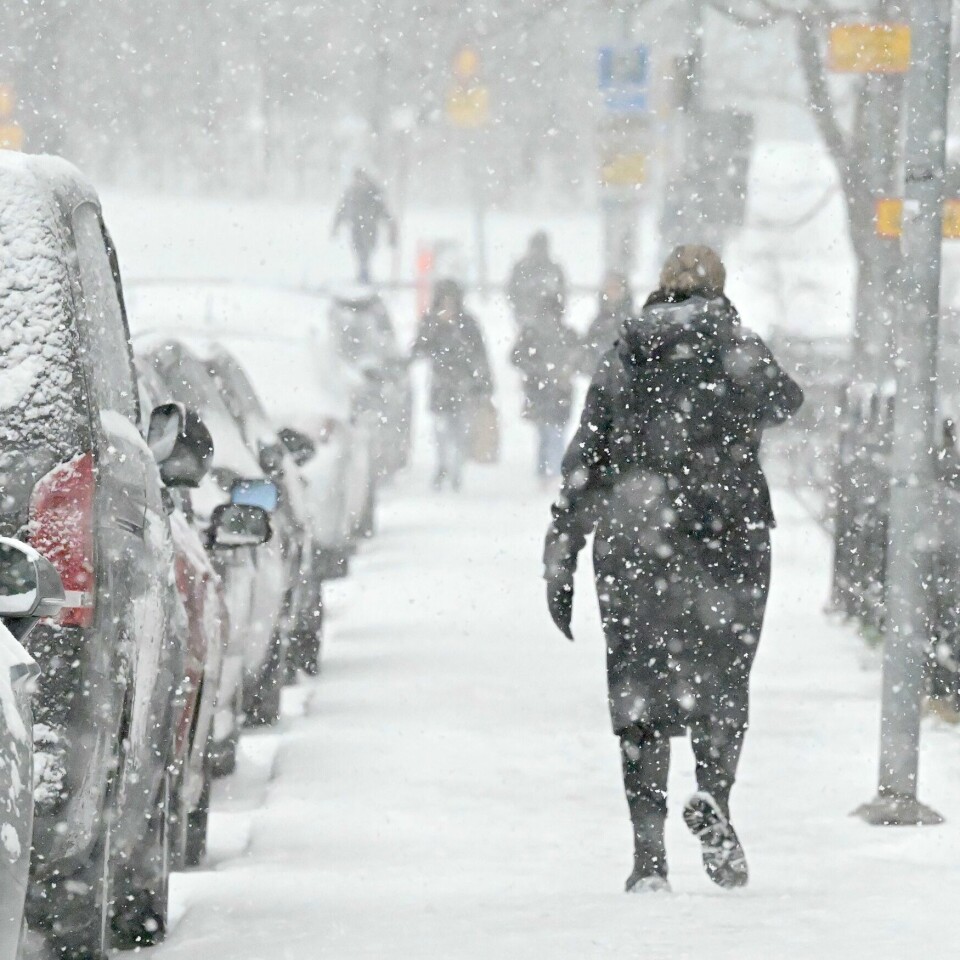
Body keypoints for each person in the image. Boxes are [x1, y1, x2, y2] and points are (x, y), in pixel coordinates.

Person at [542, 245, 803, 894]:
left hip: (637, 537)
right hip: (727, 538)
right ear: (719, 288)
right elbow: (787, 401)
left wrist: (562, 547)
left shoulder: (626, 353)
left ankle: (649, 856)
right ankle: (713, 793)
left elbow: (587, 455)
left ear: (661, 289)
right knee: (722, 679)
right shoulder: (738, 346)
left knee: (639, 692)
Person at [410, 279, 493, 491]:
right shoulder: (431, 321)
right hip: (440, 384)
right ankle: (442, 466)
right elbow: (419, 348)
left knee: (459, 429)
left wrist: (483, 382)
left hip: (463, 385)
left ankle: (455, 470)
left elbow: (479, 353)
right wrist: (436, 328)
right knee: (441, 430)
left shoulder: (468, 323)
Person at [511, 303, 578, 484]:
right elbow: (516, 357)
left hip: (545, 390)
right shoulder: (565, 334)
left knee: (549, 433)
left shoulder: (533, 335)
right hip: (548, 391)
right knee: (551, 432)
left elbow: (516, 357)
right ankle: (552, 472)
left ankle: (549, 473)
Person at [331, 168, 396, 284]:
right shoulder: (350, 193)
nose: (358, 182)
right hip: (355, 227)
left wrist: (391, 230)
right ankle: (363, 274)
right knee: (358, 251)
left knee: (366, 252)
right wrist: (335, 227)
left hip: (370, 228)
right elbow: (341, 211)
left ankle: (364, 275)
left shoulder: (373, 193)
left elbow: (385, 212)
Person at [506, 231, 566, 330]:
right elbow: (512, 293)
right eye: (537, 247)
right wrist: (521, 312)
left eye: (542, 247)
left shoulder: (554, 269)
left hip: (550, 322)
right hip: (526, 320)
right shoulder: (520, 269)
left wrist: (556, 315)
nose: (539, 251)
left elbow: (562, 294)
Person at [580, 270, 634, 374]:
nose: (612, 293)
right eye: (609, 288)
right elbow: (588, 360)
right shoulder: (597, 325)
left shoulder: (633, 322)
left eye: (616, 288)